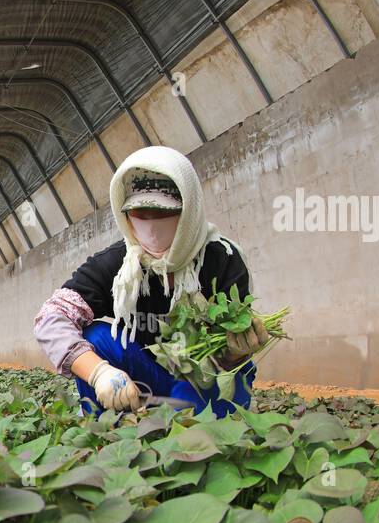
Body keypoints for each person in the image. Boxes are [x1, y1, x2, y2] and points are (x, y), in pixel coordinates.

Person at [33, 146, 269, 417]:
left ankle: (195, 417)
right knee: (97, 337)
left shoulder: (221, 259)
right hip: (144, 377)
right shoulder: (118, 264)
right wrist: (98, 372)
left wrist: (236, 353)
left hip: (202, 378)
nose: (151, 225)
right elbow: (51, 318)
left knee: (204, 427)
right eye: (140, 213)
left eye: (162, 213)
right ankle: (105, 429)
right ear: (125, 215)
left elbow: (229, 350)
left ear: (189, 207)